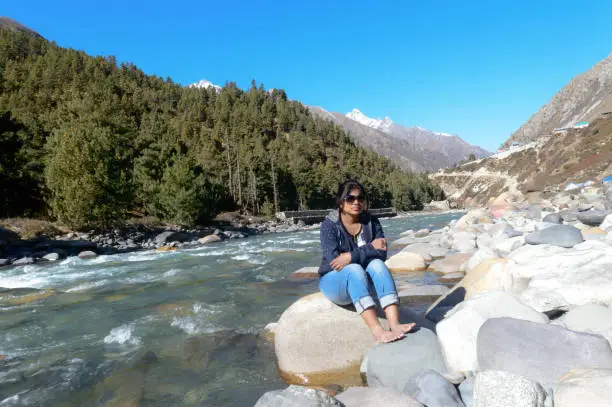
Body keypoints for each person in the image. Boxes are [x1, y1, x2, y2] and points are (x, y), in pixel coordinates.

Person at [318, 180, 415, 343]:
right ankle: (377, 331)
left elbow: (381, 254)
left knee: (377, 265)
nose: (356, 202)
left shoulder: (371, 222)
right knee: (354, 269)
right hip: (335, 282)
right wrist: (369, 248)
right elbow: (335, 262)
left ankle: (395, 324)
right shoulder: (329, 226)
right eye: (350, 198)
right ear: (341, 202)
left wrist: (350, 256)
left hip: (364, 281)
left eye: (360, 198)